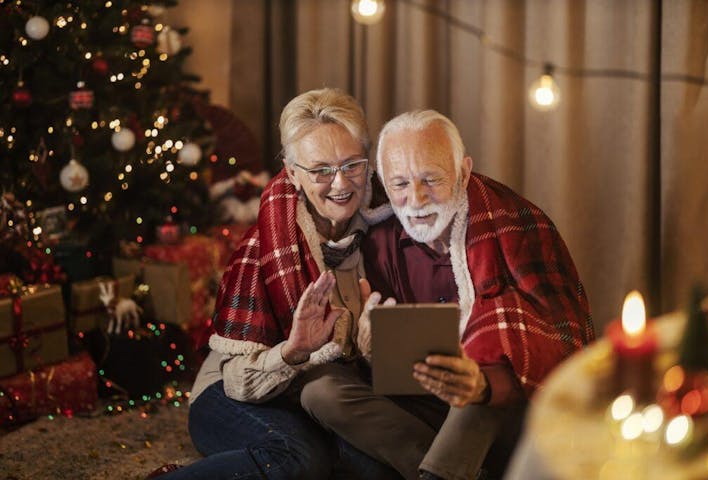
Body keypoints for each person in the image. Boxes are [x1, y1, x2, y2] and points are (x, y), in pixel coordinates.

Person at [299, 110, 594, 480]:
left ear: (464, 172)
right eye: (400, 184)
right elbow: (389, 366)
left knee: (472, 387)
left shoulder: (518, 226)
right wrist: (369, 348)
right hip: (419, 406)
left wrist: (482, 384)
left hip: (499, 410)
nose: (416, 199)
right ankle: (454, 470)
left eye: (431, 180)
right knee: (319, 391)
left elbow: (560, 344)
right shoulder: (380, 241)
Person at [150, 88, 399, 479]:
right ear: (294, 173)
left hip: (319, 394)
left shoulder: (389, 221)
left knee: (370, 468)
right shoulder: (265, 243)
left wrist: (372, 346)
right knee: (298, 458)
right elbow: (239, 382)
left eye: (352, 164)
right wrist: (294, 350)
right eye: (320, 170)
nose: (340, 184)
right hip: (234, 390)